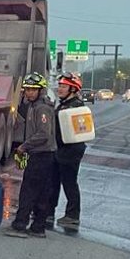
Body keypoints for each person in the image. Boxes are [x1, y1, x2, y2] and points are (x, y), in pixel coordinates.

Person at [6, 72, 57, 238]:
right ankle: (38, 227)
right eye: (27, 89)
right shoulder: (33, 106)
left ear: (40, 90)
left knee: (29, 191)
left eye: (33, 90)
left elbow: (44, 134)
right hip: (43, 155)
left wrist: (24, 146)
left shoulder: (42, 108)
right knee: (42, 192)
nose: (29, 92)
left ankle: (20, 224)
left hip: (41, 155)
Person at [48, 72, 87, 232]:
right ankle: (48, 211)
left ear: (73, 89)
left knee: (69, 183)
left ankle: (72, 216)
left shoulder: (76, 107)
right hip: (60, 149)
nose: (60, 89)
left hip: (70, 151)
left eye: (64, 87)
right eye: (60, 86)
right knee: (53, 182)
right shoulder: (64, 105)